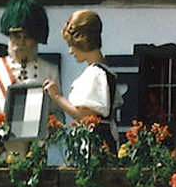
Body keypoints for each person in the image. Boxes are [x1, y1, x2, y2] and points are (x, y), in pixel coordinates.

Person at [0, 0, 61, 152]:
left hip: (35, 151)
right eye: (16, 36)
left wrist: (47, 129)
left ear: (36, 39)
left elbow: (56, 112)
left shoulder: (50, 71)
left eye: (26, 36)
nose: (21, 42)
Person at [43, 9, 123, 153]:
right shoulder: (105, 71)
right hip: (103, 142)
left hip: (96, 146)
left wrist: (57, 97)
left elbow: (84, 115)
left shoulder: (95, 74)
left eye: (71, 45)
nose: (70, 51)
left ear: (82, 41)